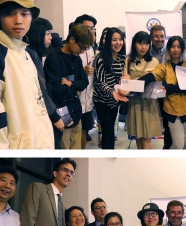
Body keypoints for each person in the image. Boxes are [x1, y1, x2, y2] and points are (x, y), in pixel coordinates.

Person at [0, 0, 59, 149]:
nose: (18, 20)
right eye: (10, 14)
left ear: (32, 17)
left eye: (24, 13)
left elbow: (38, 103)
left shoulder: (29, 54)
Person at [137, 36, 186, 149]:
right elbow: (151, 76)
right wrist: (135, 84)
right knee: (178, 146)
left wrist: (168, 87)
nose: (176, 50)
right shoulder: (164, 67)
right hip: (172, 111)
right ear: (168, 49)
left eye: (179, 47)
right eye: (173, 47)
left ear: (183, 49)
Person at [44, 24, 93, 149]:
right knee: (64, 152)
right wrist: (74, 89)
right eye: (82, 47)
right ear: (71, 40)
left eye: (85, 49)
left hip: (76, 111)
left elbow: (84, 82)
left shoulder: (76, 59)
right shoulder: (54, 59)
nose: (82, 52)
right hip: (62, 114)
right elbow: (56, 92)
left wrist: (71, 84)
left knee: (76, 152)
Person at [93, 27, 129, 149]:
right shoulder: (100, 58)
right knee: (108, 130)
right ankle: (109, 153)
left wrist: (126, 79)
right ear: (108, 41)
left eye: (120, 39)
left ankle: (108, 151)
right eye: (114, 40)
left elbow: (124, 78)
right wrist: (113, 92)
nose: (118, 43)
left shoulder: (123, 58)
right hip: (101, 101)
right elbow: (99, 82)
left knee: (110, 131)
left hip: (115, 101)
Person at [125, 31, 161, 149]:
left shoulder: (154, 61)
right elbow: (125, 83)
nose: (143, 47)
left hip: (148, 103)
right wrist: (131, 83)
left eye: (146, 44)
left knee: (146, 138)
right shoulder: (128, 60)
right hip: (134, 103)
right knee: (138, 137)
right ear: (134, 44)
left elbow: (154, 81)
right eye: (140, 43)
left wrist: (133, 82)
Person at [72, 14, 98, 149]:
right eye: (86, 28)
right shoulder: (73, 49)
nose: (90, 31)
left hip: (88, 100)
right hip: (75, 99)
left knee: (83, 132)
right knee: (72, 137)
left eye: (92, 28)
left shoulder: (92, 48)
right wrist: (83, 71)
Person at [148, 24, 172, 150]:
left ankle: (167, 148)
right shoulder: (145, 50)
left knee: (168, 123)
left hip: (165, 92)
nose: (159, 39)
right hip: (149, 92)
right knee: (147, 120)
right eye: (156, 36)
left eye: (162, 36)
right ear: (151, 37)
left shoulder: (171, 51)